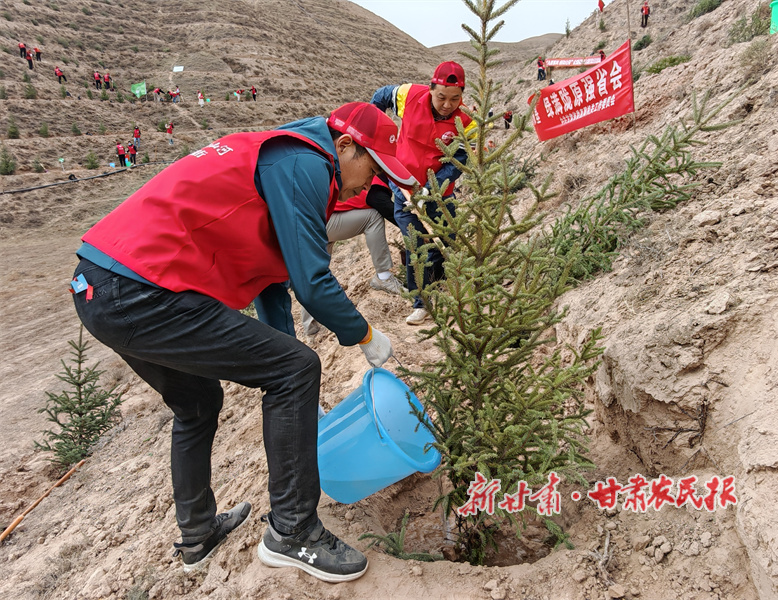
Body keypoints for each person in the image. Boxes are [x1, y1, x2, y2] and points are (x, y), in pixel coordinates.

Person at [69, 101, 412, 582]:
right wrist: (365, 335)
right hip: (140, 289)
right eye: (371, 169)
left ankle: (198, 534)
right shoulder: (304, 162)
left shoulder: (287, 158)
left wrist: (296, 386)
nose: (369, 184)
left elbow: (272, 284)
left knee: (199, 402)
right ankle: (292, 533)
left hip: (100, 285)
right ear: (347, 145)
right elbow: (312, 282)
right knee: (296, 369)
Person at [371, 61, 475, 325]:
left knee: (445, 240)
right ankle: (421, 303)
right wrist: (378, 136)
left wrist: (433, 187)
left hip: (440, 193)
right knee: (414, 243)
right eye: (441, 97)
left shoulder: (466, 120)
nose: (447, 104)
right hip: (403, 185)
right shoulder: (408, 95)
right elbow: (380, 97)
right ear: (431, 89)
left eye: (455, 98)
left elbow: (460, 159)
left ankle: (445, 287)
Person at [300, 175, 408, 337]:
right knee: (373, 217)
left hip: (312, 217)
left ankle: (310, 328)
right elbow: (375, 200)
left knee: (315, 272)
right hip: (323, 220)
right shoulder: (375, 178)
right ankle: (383, 277)